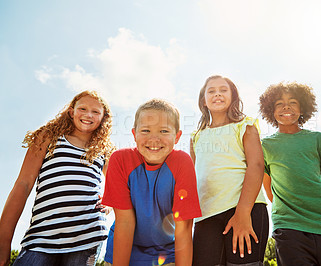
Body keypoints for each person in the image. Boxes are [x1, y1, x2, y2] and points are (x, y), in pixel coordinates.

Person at [0, 90, 115, 266]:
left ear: (103, 118)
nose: (88, 115)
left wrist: (108, 202)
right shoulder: (49, 137)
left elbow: (118, 187)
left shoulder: (104, 150)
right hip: (40, 237)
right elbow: (23, 185)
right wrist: (3, 240)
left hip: (86, 236)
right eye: (82, 108)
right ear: (71, 111)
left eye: (95, 111)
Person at [259, 82, 321, 265]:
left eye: (293, 102)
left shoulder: (318, 139)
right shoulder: (265, 146)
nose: (286, 106)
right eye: (279, 103)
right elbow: (269, 189)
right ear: (270, 111)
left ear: (303, 107)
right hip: (289, 226)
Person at [102, 99, 201, 266]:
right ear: (134, 134)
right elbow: (125, 222)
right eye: (146, 130)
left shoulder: (182, 163)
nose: (154, 139)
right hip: (126, 247)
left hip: (167, 251)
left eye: (163, 131)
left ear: (177, 137)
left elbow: (183, 226)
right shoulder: (119, 160)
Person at [190, 75, 268, 266]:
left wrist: (242, 213)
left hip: (246, 209)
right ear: (203, 101)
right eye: (211, 91)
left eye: (223, 90)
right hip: (206, 215)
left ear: (233, 96)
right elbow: (192, 178)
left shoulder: (245, 125)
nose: (217, 94)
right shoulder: (196, 137)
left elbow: (256, 166)